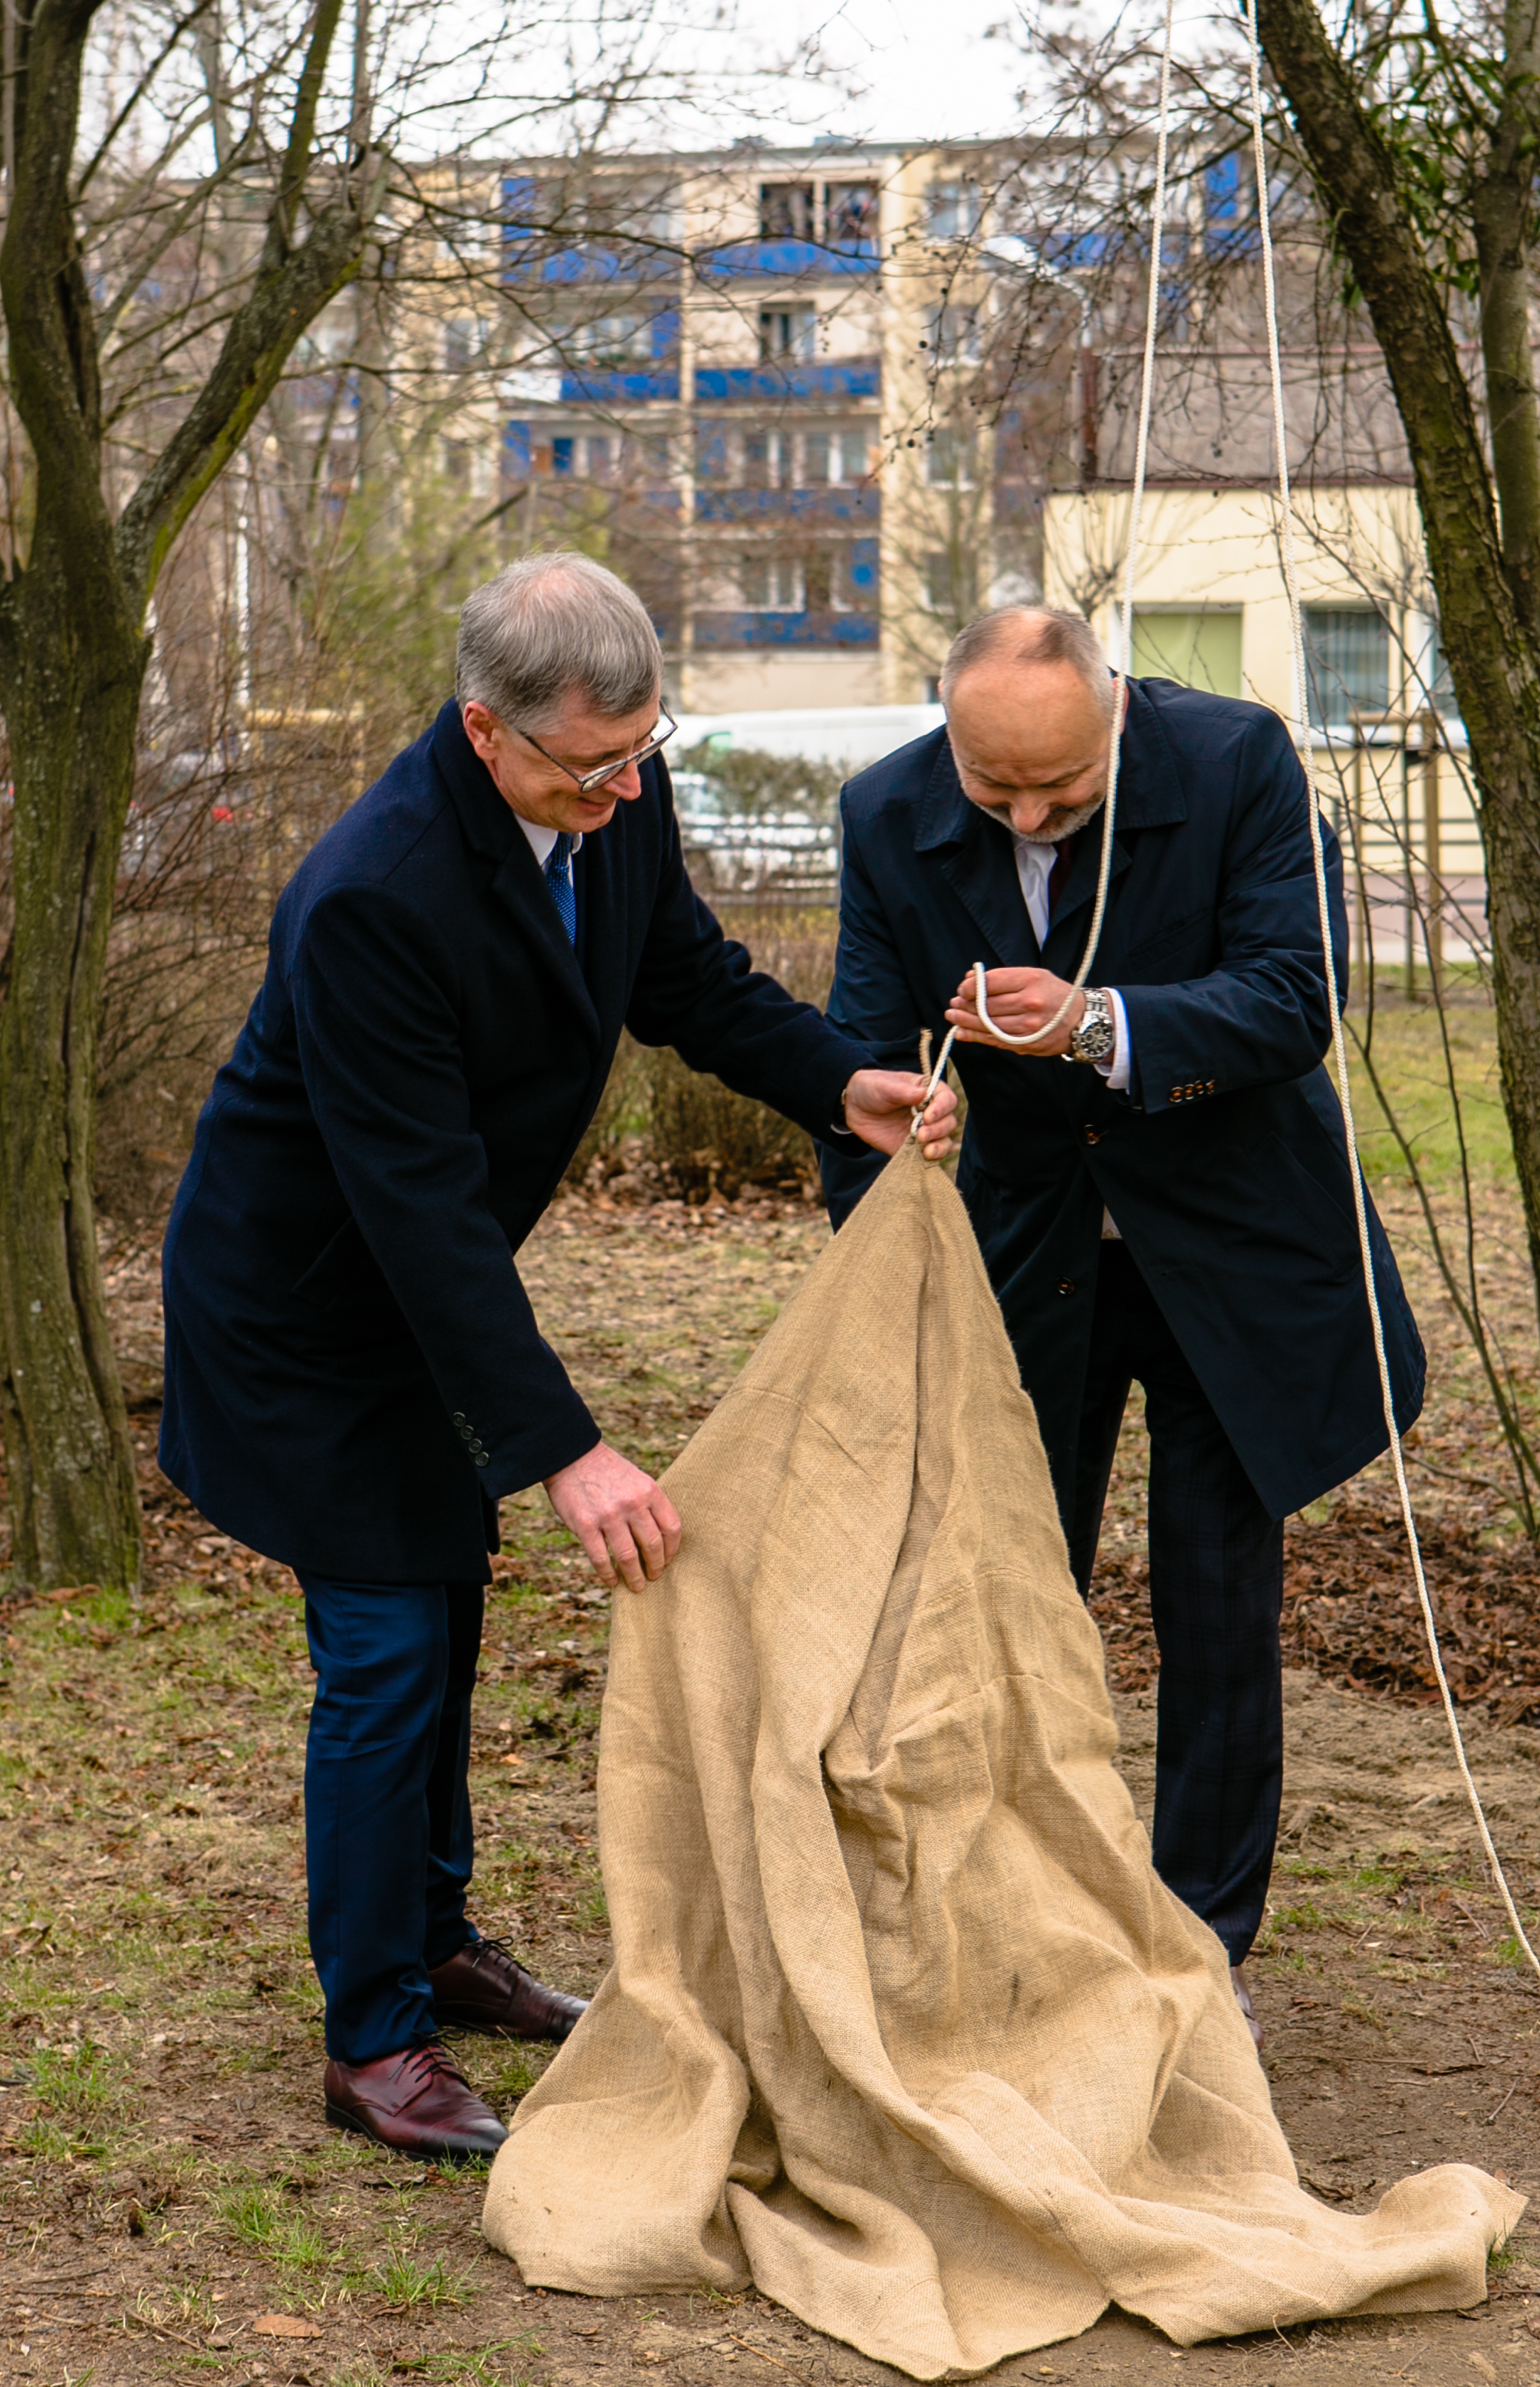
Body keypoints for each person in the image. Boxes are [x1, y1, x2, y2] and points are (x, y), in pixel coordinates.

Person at [160, 551, 956, 2160]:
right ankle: (373, 2038)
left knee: (448, 1618)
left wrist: (836, 1081)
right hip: (306, 1315)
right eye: (590, 767)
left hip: (424, 1300)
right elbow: (420, 1209)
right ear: (485, 730)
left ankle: (438, 1939)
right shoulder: (375, 893)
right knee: (387, 1655)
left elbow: (686, 979)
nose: (623, 790)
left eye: (641, 752)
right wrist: (568, 1448)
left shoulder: (616, 797)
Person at [819, 604, 1423, 2045]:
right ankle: (1023, 1922)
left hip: (1233, 1256)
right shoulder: (884, 812)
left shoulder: (1235, 761)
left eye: (1061, 788)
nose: (1028, 817)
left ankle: (1200, 1953)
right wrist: (892, 1156)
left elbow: (1293, 997)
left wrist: (1096, 1023)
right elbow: (860, 1048)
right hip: (1030, 1261)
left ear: (1116, 712)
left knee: (1217, 1607)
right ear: (947, 734)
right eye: (995, 789)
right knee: (1015, 1598)